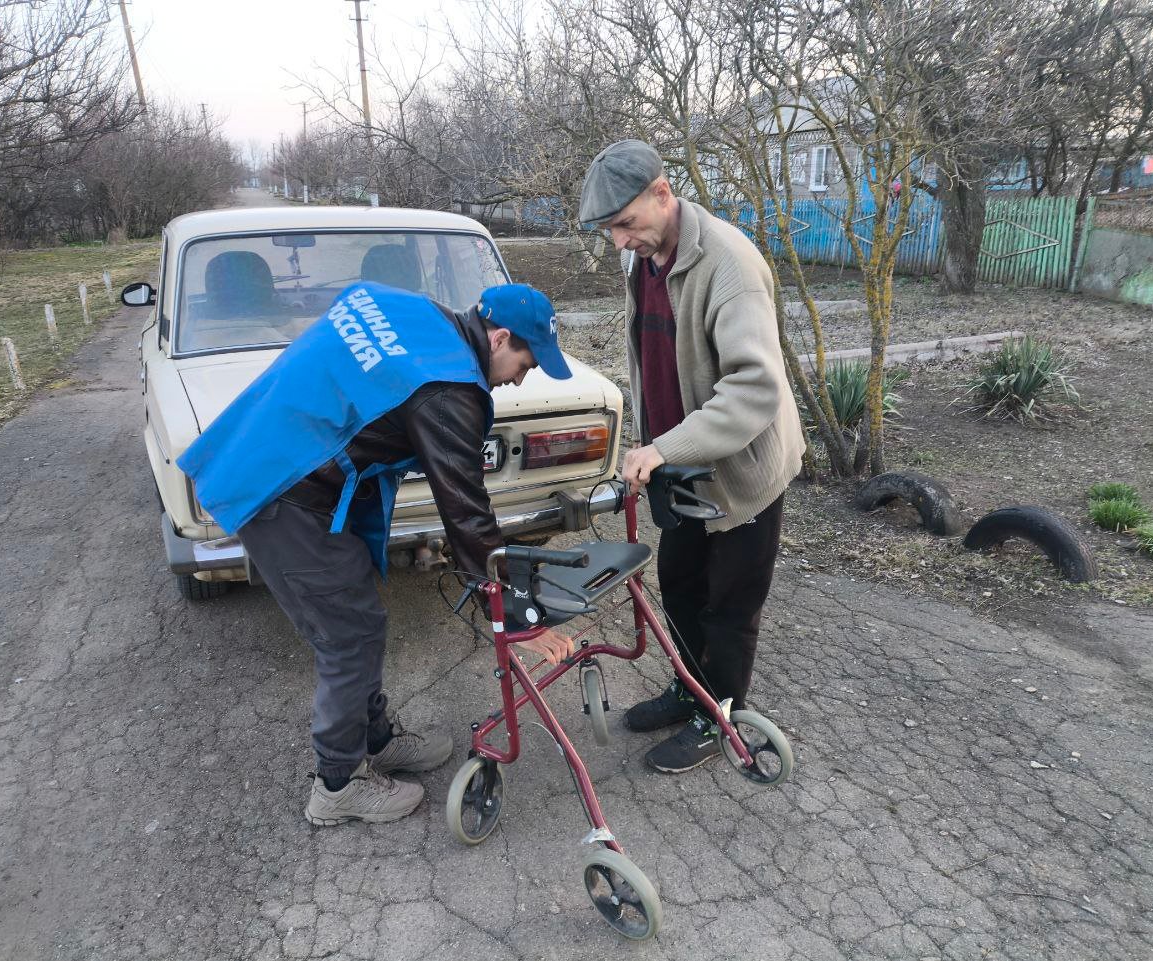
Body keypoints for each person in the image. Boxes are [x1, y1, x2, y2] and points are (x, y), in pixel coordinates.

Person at [177, 281, 577, 826]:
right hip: (283, 488)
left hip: (277, 451)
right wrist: (511, 609)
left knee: (360, 616)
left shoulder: (414, 312)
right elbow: (466, 513)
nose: (521, 378)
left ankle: (376, 739)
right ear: (500, 336)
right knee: (347, 634)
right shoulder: (448, 388)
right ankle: (338, 785)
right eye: (526, 362)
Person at [579, 140, 805, 774]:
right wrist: (657, 445)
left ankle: (719, 716)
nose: (620, 241)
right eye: (609, 231)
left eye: (625, 223)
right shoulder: (646, 260)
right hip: (678, 465)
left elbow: (755, 388)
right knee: (679, 585)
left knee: (729, 603)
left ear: (662, 192)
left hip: (739, 472)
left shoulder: (728, 263)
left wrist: (662, 447)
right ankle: (689, 688)